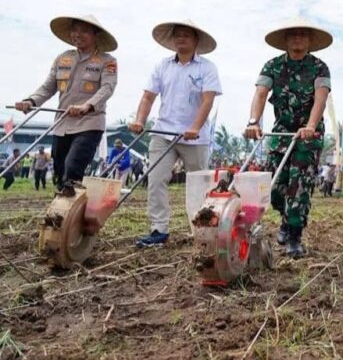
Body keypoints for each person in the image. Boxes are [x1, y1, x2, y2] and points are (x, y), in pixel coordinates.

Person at [245, 17, 332, 258]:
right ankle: (285, 218)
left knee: (299, 185)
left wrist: (311, 126)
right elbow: (261, 93)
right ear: (285, 39)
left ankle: (294, 235)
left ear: (310, 40)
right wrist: (253, 122)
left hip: (308, 135)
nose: (298, 38)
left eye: (303, 34)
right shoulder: (272, 65)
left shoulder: (319, 67)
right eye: (293, 34)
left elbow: (320, 98)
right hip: (281, 132)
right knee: (273, 187)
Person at [130, 20, 222, 247]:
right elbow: (148, 97)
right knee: (156, 179)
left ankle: (202, 229)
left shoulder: (206, 68)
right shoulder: (162, 66)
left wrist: (195, 127)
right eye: (177, 35)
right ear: (172, 40)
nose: (181, 38)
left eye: (186, 35)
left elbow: (207, 101)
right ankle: (159, 230)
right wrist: (140, 120)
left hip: (196, 137)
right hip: (163, 131)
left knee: (200, 184)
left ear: (196, 40)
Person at [15, 15, 118, 197]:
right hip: (62, 124)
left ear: (95, 35)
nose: (78, 34)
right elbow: (48, 87)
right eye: (75, 30)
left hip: (89, 123)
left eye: (84, 30)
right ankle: (67, 211)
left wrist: (88, 105)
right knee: (60, 174)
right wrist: (30, 101)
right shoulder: (63, 59)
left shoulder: (107, 61)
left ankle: (67, 213)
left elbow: (107, 88)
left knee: (72, 170)